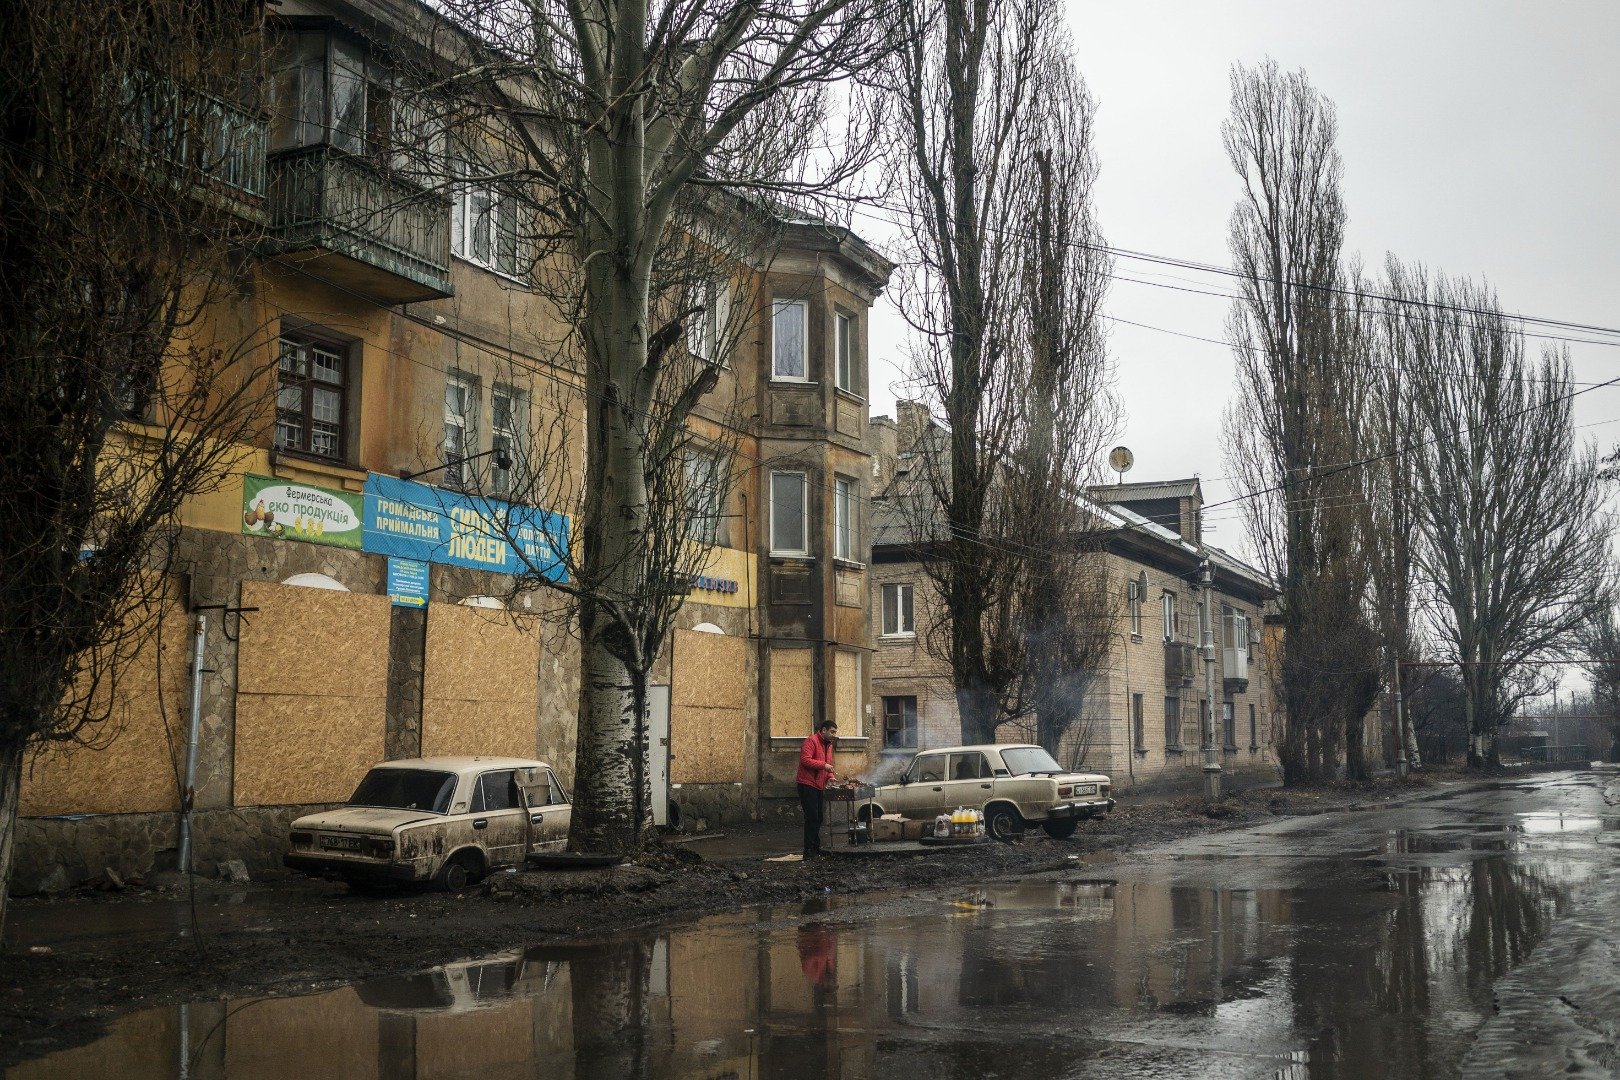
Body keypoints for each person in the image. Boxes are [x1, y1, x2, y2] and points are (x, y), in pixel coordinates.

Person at [797, 720, 838, 858]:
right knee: (812, 817)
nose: (833, 735)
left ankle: (815, 847)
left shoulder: (829, 745)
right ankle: (808, 851)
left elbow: (829, 764)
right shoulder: (811, 741)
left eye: (835, 732)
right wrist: (823, 765)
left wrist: (830, 776)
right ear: (824, 730)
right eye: (832, 732)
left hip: (819, 784)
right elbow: (805, 760)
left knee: (819, 818)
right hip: (807, 784)